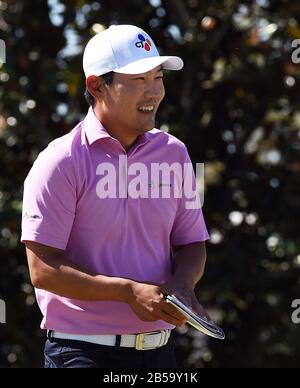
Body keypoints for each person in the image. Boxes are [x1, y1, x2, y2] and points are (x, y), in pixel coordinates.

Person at [21, 24, 210, 368]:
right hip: (81, 354)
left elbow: (192, 243)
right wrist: (127, 292)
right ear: (96, 85)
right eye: (138, 80)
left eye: (157, 77)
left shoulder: (175, 153)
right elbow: (42, 269)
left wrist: (182, 285)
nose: (154, 92)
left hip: (160, 354)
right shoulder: (60, 161)